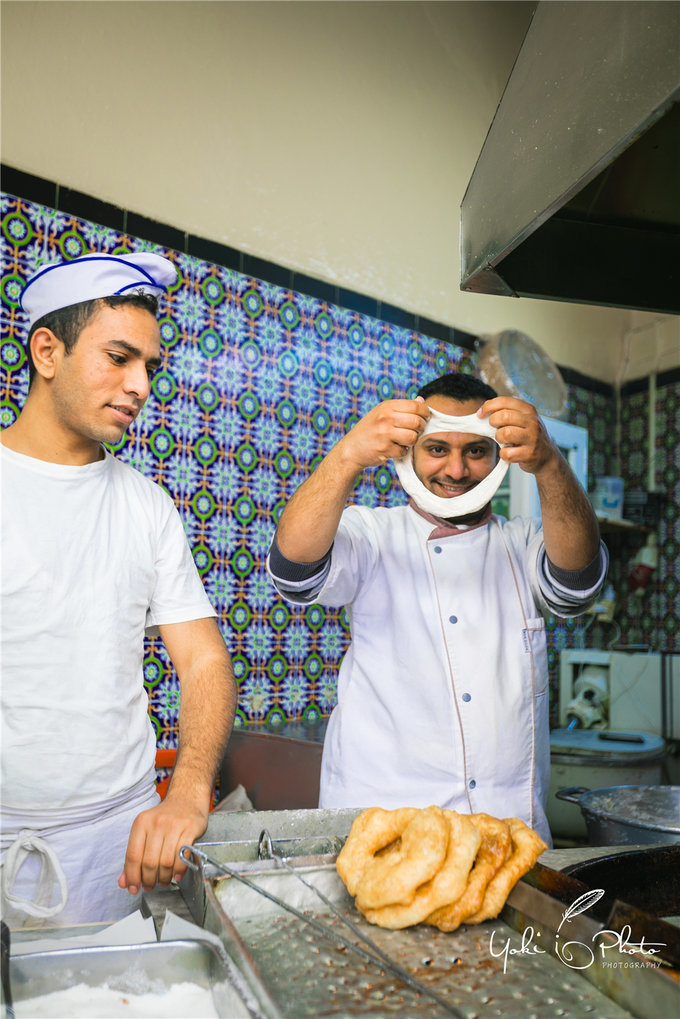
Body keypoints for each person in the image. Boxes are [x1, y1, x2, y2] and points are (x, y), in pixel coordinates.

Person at [267, 373, 607, 844]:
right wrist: (347, 455)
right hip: (384, 833)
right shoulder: (370, 533)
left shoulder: (523, 543)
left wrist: (549, 462)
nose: (456, 470)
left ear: (497, 457)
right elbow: (293, 569)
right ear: (408, 453)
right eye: (437, 449)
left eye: (475, 451)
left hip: (507, 836)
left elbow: (577, 585)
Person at [1, 253, 236, 926]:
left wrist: (188, 791)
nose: (140, 385)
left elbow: (204, 660)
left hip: (117, 847)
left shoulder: (147, 506)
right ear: (47, 350)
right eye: (119, 357)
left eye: (150, 367)